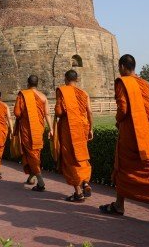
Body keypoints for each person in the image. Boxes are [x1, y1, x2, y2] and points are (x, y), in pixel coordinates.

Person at [99, 54, 149, 228]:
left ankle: (119, 206)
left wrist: (118, 120)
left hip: (130, 134)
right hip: (147, 133)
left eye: (119, 68)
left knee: (123, 168)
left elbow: (123, 108)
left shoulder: (122, 82)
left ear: (123, 67)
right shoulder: (146, 84)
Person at [54, 69, 93, 202]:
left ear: (66, 78)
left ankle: (78, 193)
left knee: (70, 158)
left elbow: (59, 111)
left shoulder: (62, 91)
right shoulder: (84, 93)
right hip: (82, 127)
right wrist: (91, 129)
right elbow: (89, 112)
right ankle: (86, 182)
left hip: (69, 128)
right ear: (77, 79)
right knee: (82, 155)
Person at [13, 75, 52, 192]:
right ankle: (31, 177)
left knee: (31, 153)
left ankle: (40, 181)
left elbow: (17, 113)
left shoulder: (23, 95)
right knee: (35, 153)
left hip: (27, 129)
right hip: (39, 129)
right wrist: (51, 129)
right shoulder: (43, 96)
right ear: (37, 84)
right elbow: (47, 114)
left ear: (27, 83)